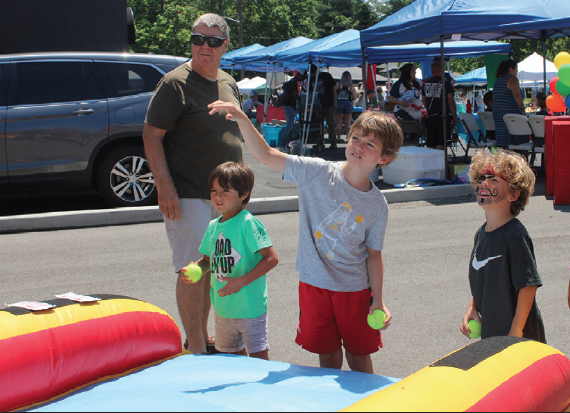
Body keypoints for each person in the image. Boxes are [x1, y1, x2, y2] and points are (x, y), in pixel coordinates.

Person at [208, 100, 403, 374]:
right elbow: (266, 154)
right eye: (355, 138)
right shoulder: (316, 172)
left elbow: (373, 255)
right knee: (328, 355)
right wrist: (241, 117)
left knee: (359, 357)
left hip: (354, 291)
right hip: (313, 286)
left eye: (370, 144)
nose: (358, 147)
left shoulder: (377, 205)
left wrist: (378, 299)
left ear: (384, 158)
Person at [142, 13, 243, 355]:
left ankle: (200, 338)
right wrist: (163, 185)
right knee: (194, 268)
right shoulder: (175, 83)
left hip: (226, 200)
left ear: (225, 46)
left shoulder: (229, 83)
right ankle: (197, 349)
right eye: (198, 39)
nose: (204, 46)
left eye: (213, 41)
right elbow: (151, 136)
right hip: (186, 193)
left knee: (213, 268)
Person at [185, 162, 278, 360]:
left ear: (243, 194)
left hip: (250, 308)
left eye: (225, 191)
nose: (218, 196)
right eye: (214, 190)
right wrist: (196, 269)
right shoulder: (213, 226)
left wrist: (241, 281)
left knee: (259, 360)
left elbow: (271, 258)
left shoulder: (248, 223)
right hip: (223, 308)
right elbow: (208, 261)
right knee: (232, 360)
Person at [460, 150, 545, 344]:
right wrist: (472, 307)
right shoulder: (481, 235)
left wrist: (516, 329)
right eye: (481, 178)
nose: (484, 183)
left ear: (513, 194)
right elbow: (485, 279)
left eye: (494, 180)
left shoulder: (515, 235)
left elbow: (528, 285)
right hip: (493, 334)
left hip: (519, 336)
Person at [421, 61, 458, 150]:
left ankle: (431, 162)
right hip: (443, 116)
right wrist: (455, 116)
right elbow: (451, 101)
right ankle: (440, 162)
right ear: (442, 70)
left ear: (431, 71)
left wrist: (428, 108)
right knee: (441, 142)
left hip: (430, 116)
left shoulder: (425, 84)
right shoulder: (446, 84)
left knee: (431, 142)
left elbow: (423, 99)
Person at [492, 59, 527, 148]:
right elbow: (517, 95)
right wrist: (522, 109)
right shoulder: (513, 79)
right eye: (516, 68)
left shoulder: (497, 81)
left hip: (498, 114)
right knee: (521, 143)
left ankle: (503, 161)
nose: (517, 71)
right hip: (511, 114)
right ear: (511, 68)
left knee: (503, 142)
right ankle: (523, 161)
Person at [302, 64, 338, 150]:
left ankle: (333, 142)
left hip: (328, 103)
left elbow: (334, 89)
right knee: (318, 124)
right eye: (312, 73)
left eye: (314, 72)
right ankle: (319, 141)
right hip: (316, 105)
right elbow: (310, 92)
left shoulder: (326, 76)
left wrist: (335, 102)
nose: (313, 74)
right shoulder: (310, 78)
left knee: (330, 123)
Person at [279, 70, 305, 152]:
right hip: (290, 105)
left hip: (287, 105)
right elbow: (295, 94)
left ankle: (285, 144)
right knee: (289, 126)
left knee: (290, 126)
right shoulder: (293, 83)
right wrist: (300, 98)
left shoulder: (289, 82)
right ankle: (282, 145)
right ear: (299, 74)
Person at [334, 71, 358, 141]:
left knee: (339, 122)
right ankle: (348, 137)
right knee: (347, 123)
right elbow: (354, 97)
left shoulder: (337, 84)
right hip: (348, 103)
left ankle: (338, 137)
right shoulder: (351, 87)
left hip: (339, 103)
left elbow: (334, 94)